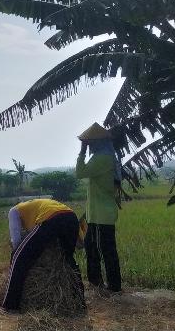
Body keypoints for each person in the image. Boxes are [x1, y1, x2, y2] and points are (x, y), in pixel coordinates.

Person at [1, 198, 85, 311]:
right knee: (68, 260)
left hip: (52, 218)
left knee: (18, 257)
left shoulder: (14, 210)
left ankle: (10, 306)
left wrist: (17, 253)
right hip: (71, 217)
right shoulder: (37, 205)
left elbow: (16, 241)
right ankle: (79, 302)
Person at [75, 122, 122, 295]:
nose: (89, 146)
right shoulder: (105, 156)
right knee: (94, 247)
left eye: (89, 143)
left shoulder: (103, 158)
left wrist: (81, 152)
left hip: (102, 215)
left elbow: (80, 173)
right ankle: (98, 283)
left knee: (105, 249)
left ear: (97, 143)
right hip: (97, 214)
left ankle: (112, 286)